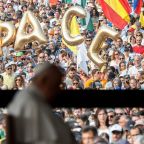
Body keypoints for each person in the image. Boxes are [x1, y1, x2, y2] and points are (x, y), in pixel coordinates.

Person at [7, 62, 76, 144]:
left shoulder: (38, 98)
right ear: (43, 80)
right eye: (55, 85)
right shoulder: (27, 99)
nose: (57, 89)